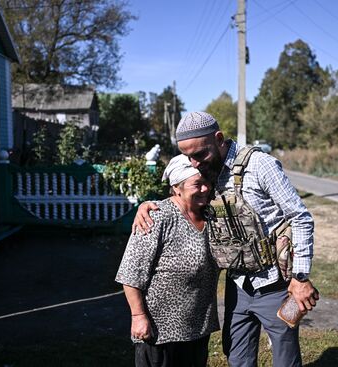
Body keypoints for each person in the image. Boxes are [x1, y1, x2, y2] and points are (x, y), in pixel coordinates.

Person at [133, 112, 319, 367]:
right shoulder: (205, 166)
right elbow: (180, 190)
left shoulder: (260, 165)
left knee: (286, 360)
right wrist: (148, 205)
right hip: (238, 285)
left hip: (277, 285)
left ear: (218, 139)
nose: (194, 163)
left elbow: (300, 218)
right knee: (237, 357)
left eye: (198, 155)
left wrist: (300, 277)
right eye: (188, 156)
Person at [115, 154, 219, 367]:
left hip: (198, 327)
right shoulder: (157, 216)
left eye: (208, 182)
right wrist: (138, 315)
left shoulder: (210, 215)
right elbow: (130, 272)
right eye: (197, 184)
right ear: (177, 187)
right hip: (160, 331)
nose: (205, 188)